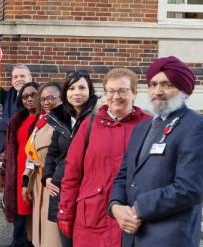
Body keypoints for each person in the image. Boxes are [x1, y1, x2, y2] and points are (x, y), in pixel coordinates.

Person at [108, 56, 203, 247]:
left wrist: (139, 208)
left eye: (167, 85)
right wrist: (116, 206)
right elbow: (124, 175)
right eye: (153, 85)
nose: (157, 91)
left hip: (169, 238)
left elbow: (191, 188)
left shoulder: (199, 127)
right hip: (132, 237)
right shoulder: (141, 128)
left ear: (183, 90)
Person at [57, 68, 151, 246]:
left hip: (134, 218)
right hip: (93, 218)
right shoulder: (90, 125)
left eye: (122, 90)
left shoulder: (148, 125)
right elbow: (72, 173)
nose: (116, 96)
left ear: (135, 93)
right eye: (111, 91)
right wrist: (66, 212)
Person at [42, 71, 98, 247]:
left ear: (90, 91)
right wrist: (48, 176)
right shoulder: (61, 118)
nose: (77, 93)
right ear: (66, 92)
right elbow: (53, 152)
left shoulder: (98, 116)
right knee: (66, 240)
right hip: (63, 189)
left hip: (88, 188)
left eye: (82, 87)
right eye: (72, 88)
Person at [21, 82, 62, 247]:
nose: (46, 102)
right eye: (43, 99)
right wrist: (26, 182)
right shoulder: (40, 122)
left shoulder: (65, 123)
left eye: (51, 98)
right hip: (37, 183)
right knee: (38, 234)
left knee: (52, 236)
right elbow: (31, 155)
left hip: (54, 184)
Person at [2, 82, 39, 247]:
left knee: (32, 224)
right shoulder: (18, 120)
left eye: (33, 95)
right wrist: (5, 173)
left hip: (35, 178)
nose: (29, 99)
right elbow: (10, 151)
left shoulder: (45, 120)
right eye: (25, 96)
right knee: (19, 223)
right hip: (16, 178)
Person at [0, 64, 32, 154]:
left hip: (28, 145)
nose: (19, 79)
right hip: (11, 146)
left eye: (22, 76)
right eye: (15, 77)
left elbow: (24, 122)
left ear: (30, 78)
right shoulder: (10, 95)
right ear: (12, 81)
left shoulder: (35, 96)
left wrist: (1, 122)